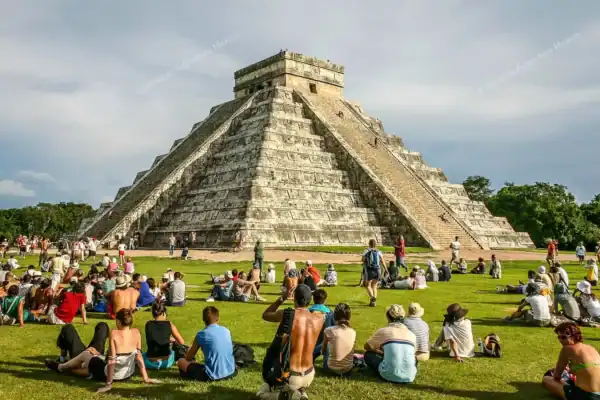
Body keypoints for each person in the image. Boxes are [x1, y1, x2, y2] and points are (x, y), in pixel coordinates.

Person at [258, 284, 324, 400]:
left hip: (290, 376)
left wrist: (281, 298)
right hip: (309, 374)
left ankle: (288, 396)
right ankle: (300, 393)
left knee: (261, 394)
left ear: (294, 298)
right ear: (310, 299)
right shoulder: (320, 318)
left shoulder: (287, 314)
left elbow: (265, 315)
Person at [94, 309, 159, 393]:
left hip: (111, 375)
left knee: (91, 360)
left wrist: (108, 384)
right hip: (127, 375)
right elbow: (139, 357)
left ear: (118, 321)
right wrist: (145, 378)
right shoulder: (136, 333)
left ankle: (72, 368)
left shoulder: (114, 333)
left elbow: (112, 361)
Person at [177, 306, 237, 382]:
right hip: (231, 371)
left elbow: (189, 357)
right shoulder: (226, 331)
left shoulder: (202, 334)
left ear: (203, 320)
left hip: (212, 375)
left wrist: (187, 354)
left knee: (181, 361)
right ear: (218, 318)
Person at [542, 322, 600, 399]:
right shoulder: (591, 348)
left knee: (546, 379)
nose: (560, 340)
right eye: (558, 337)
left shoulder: (566, 349)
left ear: (574, 336)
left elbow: (557, 376)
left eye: (563, 337)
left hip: (587, 396)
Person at [364, 304, 417, 383]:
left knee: (368, 354)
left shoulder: (384, 331)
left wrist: (379, 352)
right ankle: (407, 372)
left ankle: (388, 370)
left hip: (387, 375)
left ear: (388, 317)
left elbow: (367, 346)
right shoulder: (412, 335)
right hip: (409, 377)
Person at [45, 322, 109, 376]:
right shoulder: (117, 343)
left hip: (91, 362)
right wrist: (99, 354)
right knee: (103, 325)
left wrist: (71, 369)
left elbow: (91, 371)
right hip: (98, 356)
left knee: (68, 328)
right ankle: (62, 358)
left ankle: (62, 364)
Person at [143, 302, 185, 370]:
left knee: (143, 355)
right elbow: (181, 342)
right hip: (166, 363)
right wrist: (171, 340)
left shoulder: (148, 324)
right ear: (163, 313)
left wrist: (167, 338)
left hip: (149, 362)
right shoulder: (169, 324)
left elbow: (154, 336)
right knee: (173, 352)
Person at [320, 303, 356, 376]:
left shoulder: (328, 330)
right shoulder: (353, 332)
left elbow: (323, 351)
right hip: (348, 370)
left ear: (335, 316)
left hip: (330, 369)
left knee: (326, 345)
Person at [362, 239, 385, 307]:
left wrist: (366, 260)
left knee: (368, 285)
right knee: (374, 286)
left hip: (369, 270)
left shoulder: (366, 251)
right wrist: (386, 269)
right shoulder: (379, 251)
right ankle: (374, 302)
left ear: (369, 244)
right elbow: (382, 261)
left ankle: (372, 298)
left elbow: (362, 259)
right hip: (378, 270)